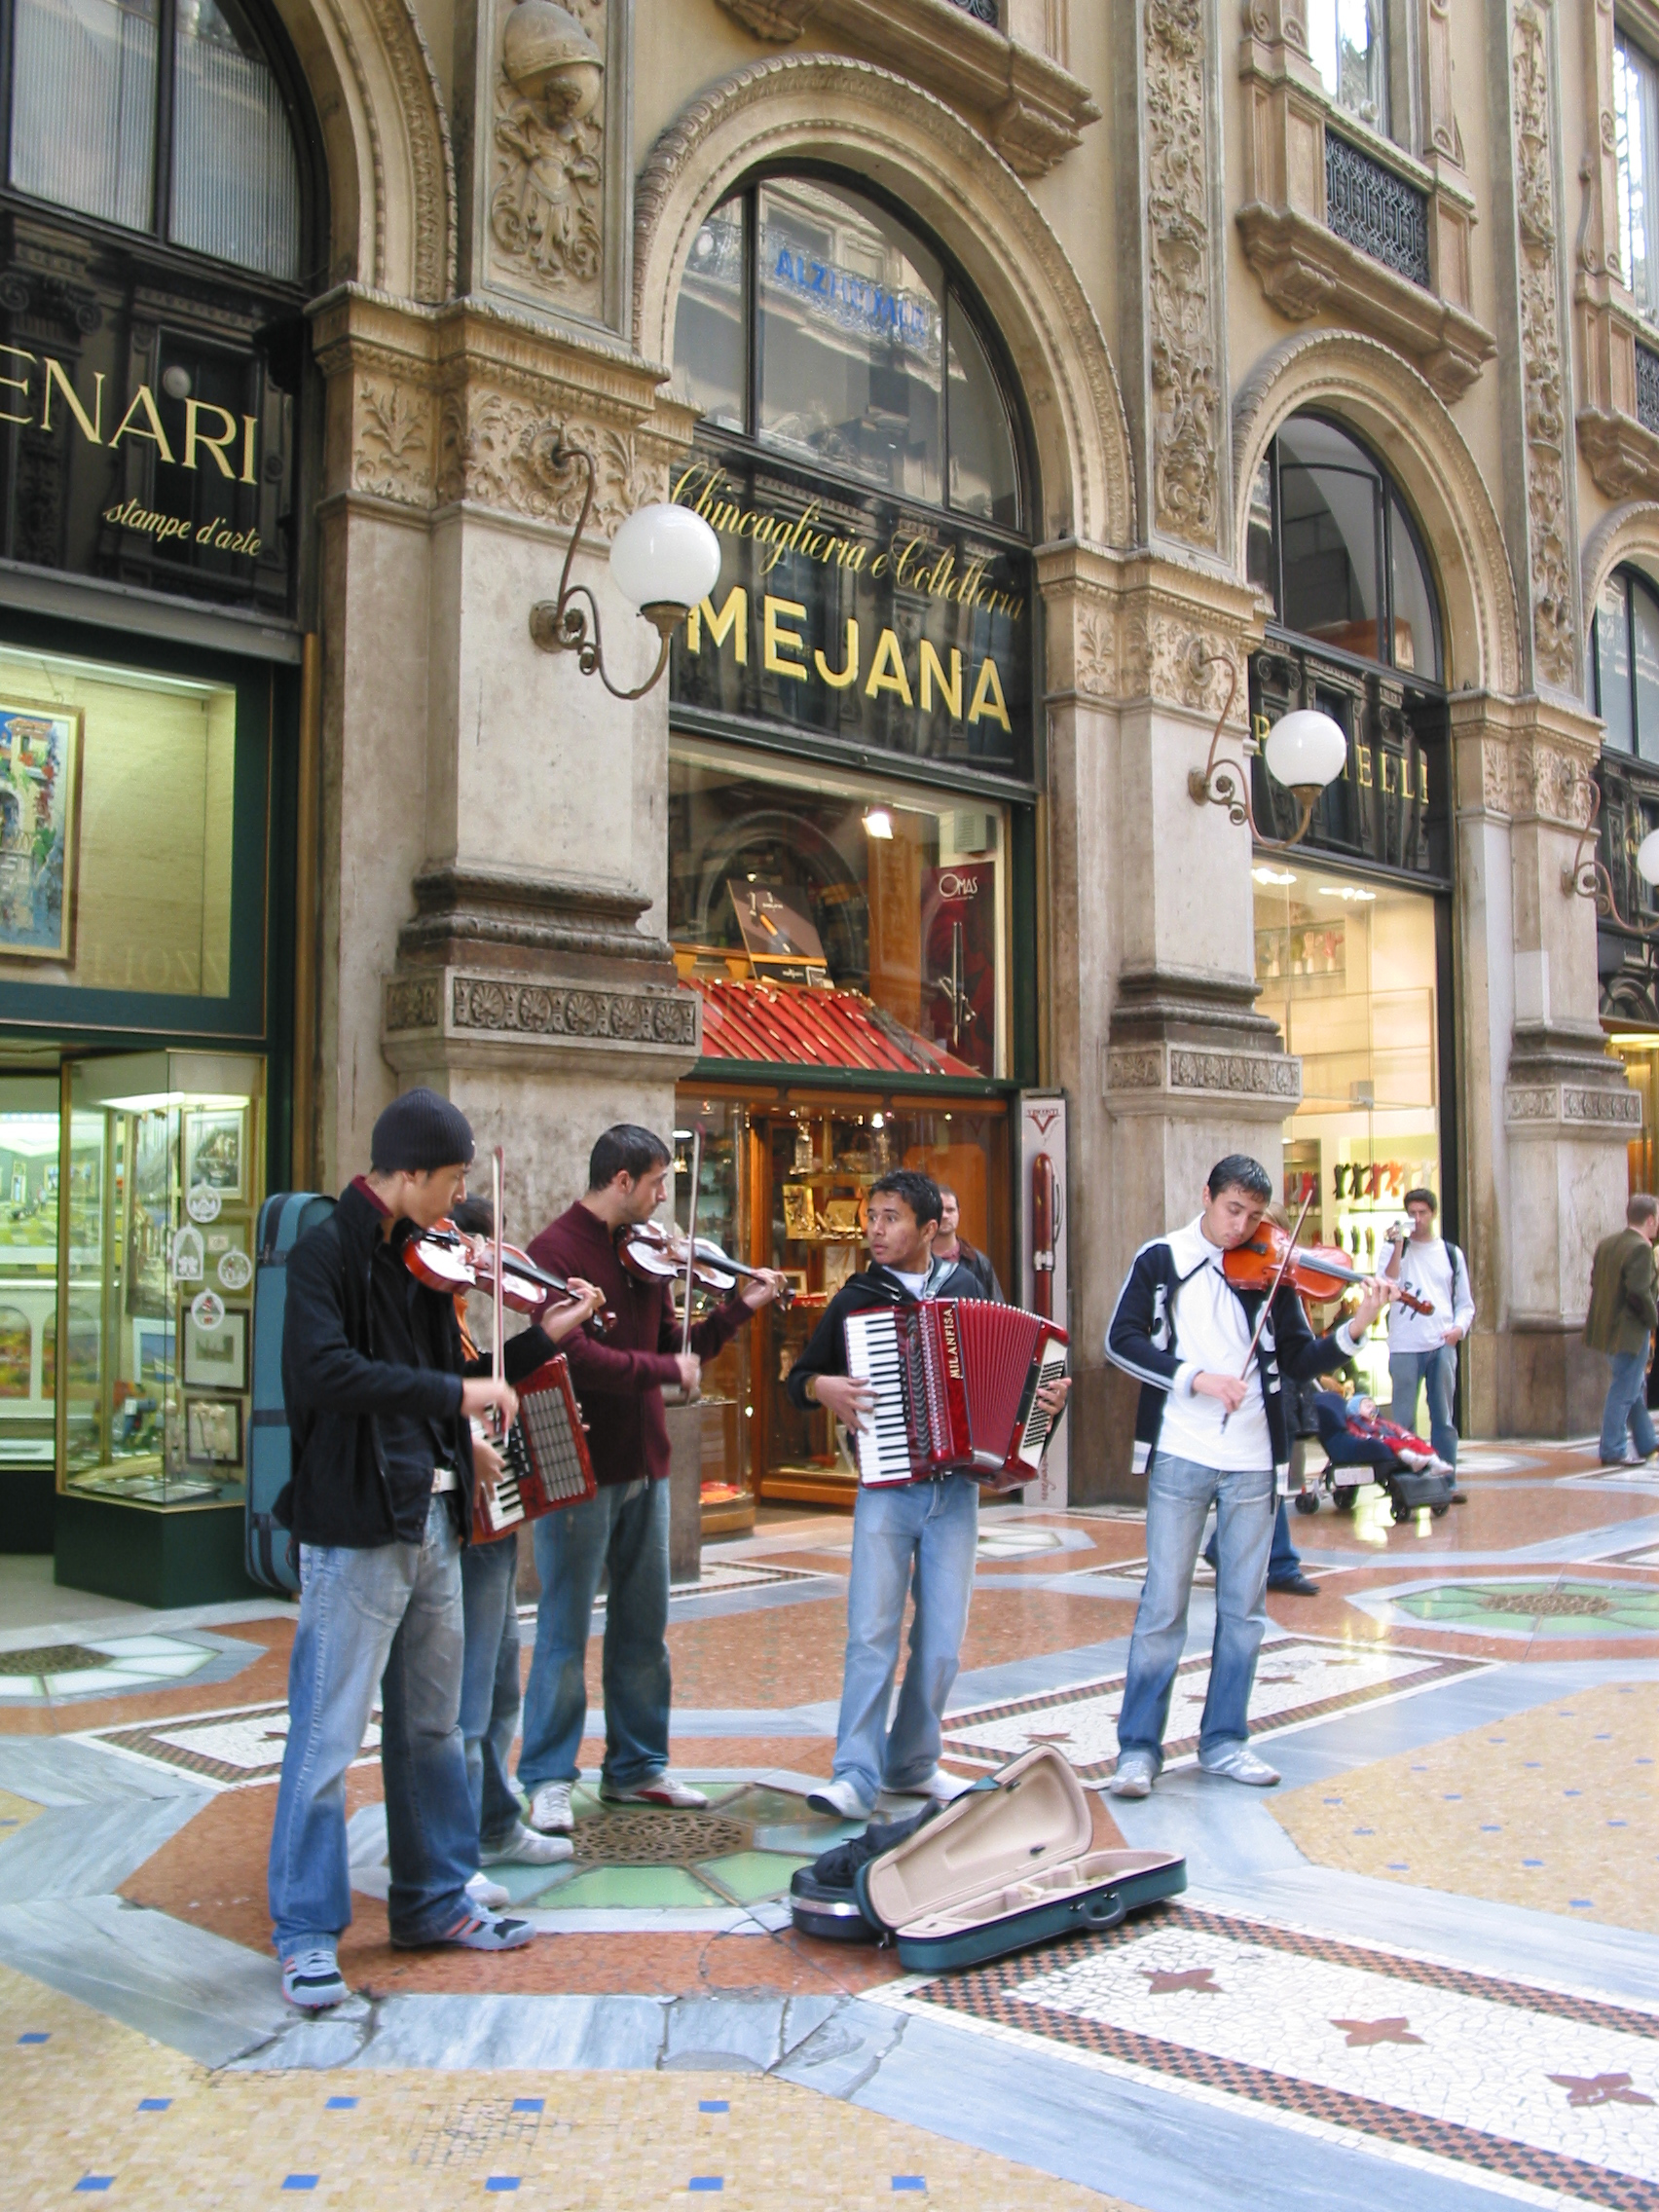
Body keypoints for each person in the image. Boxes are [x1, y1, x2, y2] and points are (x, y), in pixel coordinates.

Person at [267, 1088, 533, 2014]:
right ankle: (304, 1931)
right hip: (353, 1527)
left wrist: (468, 1437)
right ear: (410, 1171)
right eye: (454, 1179)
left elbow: (448, 1378)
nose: (461, 1199)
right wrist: (452, 1404)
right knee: (327, 1735)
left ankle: (433, 1901)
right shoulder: (326, 1252)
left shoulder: (428, 1262)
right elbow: (323, 1372)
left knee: (429, 1729)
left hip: (433, 1518)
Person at [517, 1125, 785, 1834]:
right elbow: (576, 1357)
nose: (667, 1197)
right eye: (660, 1182)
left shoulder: (645, 1255)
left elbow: (674, 1344)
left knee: (645, 1628)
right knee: (564, 1629)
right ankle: (546, 1776)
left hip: (648, 1465)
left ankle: (638, 1767)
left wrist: (736, 1309)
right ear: (624, 1181)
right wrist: (665, 1374)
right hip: (581, 1466)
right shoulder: (554, 1253)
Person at [785, 1168, 1071, 1820]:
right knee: (871, 1634)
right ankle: (854, 1774)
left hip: (955, 1495)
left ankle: (913, 1762)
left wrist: (1047, 1399)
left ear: (928, 1227)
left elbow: (1023, 1384)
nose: (876, 1231)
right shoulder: (857, 1297)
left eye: (890, 1218)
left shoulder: (966, 1286)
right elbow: (798, 1378)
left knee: (942, 1641)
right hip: (887, 1490)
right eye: (872, 1218)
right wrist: (821, 1389)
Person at [1105, 1154, 1393, 1799]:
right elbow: (1119, 1340)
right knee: (1163, 1604)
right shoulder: (1162, 1258)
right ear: (1206, 1195)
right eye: (1233, 1210)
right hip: (1181, 1450)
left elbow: (1298, 1358)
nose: (1244, 1228)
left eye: (1255, 1216)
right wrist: (1195, 1378)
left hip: (1255, 1461)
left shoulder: (1271, 1272)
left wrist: (1355, 1325)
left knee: (1244, 1609)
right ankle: (1137, 1749)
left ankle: (1225, 1740)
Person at [446, 1195, 606, 1895]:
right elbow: (452, 1392)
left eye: (483, 1246)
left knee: (500, 1685)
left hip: (490, 1516)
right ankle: (455, 1850)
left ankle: (494, 1822)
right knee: (465, 1698)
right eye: (468, 1245)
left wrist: (548, 1333)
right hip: (455, 1518)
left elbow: (489, 1375)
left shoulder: (450, 1315)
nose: (480, 1262)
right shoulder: (416, 1303)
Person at [1382, 1189, 1474, 1493]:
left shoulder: (1450, 1253)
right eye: (1412, 1214)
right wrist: (1396, 1245)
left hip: (1440, 1343)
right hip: (1405, 1345)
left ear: (1433, 1214)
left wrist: (1459, 1328)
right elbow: (1388, 1282)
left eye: (1422, 1213)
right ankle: (1411, 1482)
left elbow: (1465, 1302)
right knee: (1404, 1418)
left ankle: (1447, 1481)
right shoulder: (1396, 1249)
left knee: (1443, 1418)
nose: (1417, 1220)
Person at [1586, 1192, 1659, 1468]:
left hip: (1607, 1330)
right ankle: (1613, 1448)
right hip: (1630, 1332)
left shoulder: (1608, 1244)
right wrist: (1653, 1319)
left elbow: (1596, 1281)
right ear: (1650, 1219)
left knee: (1633, 1385)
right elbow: (1639, 1292)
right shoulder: (1640, 1248)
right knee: (1625, 1390)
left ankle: (1646, 1441)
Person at [934, 1183, 1004, 1302]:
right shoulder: (915, 1261)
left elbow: (997, 1307)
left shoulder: (978, 1262)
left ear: (959, 1214)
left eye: (950, 1210)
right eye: (939, 1210)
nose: (944, 1216)